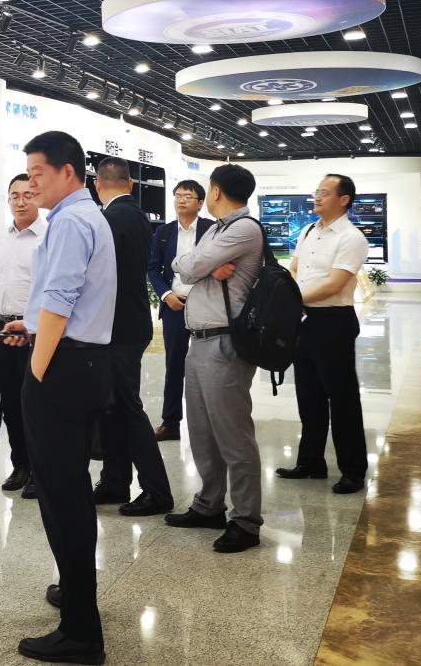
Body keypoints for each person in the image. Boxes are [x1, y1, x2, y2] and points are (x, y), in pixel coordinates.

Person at [1, 131, 115, 665]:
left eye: (38, 174)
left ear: (67, 171)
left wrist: (37, 366)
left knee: (62, 496)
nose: (30, 185)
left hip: (63, 367)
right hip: (80, 361)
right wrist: (31, 327)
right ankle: (75, 593)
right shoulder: (85, 215)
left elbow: (62, 300)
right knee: (69, 490)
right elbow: (62, 301)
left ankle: (81, 632)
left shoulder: (70, 222)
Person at [165, 163, 264, 554]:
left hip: (225, 343)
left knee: (233, 436)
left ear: (217, 192)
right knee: (203, 431)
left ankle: (246, 520)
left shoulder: (243, 229)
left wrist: (198, 266)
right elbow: (192, 267)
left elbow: (187, 266)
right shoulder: (218, 230)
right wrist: (204, 267)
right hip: (200, 340)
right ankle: (209, 505)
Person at [276, 175, 370, 494]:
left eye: (325, 193)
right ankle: (311, 462)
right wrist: (294, 299)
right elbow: (294, 268)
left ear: (344, 200)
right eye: (316, 191)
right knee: (309, 395)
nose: (317, 197)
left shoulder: (351, 237)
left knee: (342, 398)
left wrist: (294, 300)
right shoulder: (308, 231)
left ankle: (353, 470)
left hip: (334, 321)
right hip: (305, 319)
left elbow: (335, 283)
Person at [93, 158, 174, 518]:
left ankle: (156, 490)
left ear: (97, 185)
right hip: (130, 322)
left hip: (117, 328)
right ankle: (114, 481)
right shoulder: (137, 215)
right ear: (129, 182)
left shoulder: (110, 219)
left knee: (126, 407)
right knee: (111, 406)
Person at [0, 174, 46, 499]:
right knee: (9, 403)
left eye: (27, 195)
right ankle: (20, 464)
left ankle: (39, 470)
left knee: (35, 404)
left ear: (37, 198)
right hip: (2, 328)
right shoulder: (0, 240)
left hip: (34, 332)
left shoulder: (48, 238)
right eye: (14, 196)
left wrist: (37, 328)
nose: (20, 201)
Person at [147, 181, 215, 442]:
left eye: (188, 196)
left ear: (200, 202)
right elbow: (153, 268)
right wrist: (166, 295)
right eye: (177, 196)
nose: (181, 200)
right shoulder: (164, 232)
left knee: (207, 365)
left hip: (205, 306)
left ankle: (209, 423)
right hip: (175, 306)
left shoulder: (211, 229)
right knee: (174, 364)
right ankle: (170, 422)